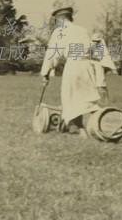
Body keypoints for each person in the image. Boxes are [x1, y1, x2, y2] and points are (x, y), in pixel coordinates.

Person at [40, 7, 101, 137]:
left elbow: (52, 54)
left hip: (73, 66)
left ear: (60, 20)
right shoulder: (82, 30)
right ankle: (100, 124)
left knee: (71, 98)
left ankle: (80, 129)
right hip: (87, 66)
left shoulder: (59, 31)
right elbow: (91, 49)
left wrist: (45, 72)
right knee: (87, 99)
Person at [90, 32, 117, 106]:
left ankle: (104, 102)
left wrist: (112, 69)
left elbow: (106, 59)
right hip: (91, 67)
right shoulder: (90, 47)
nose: (95, 43)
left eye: (97, 41)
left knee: (100, 84)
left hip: (98, 66)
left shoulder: (101, 48)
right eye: (94, 41)